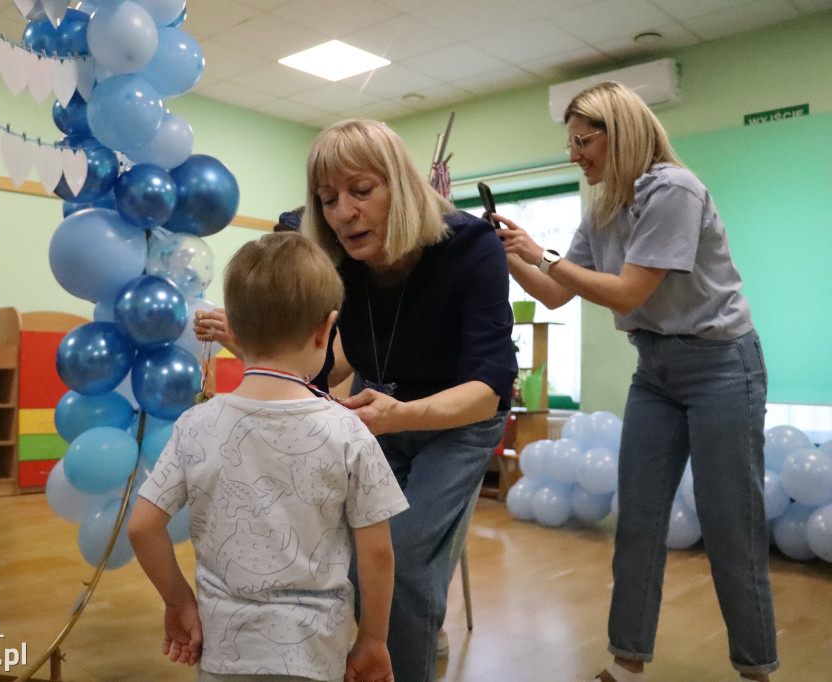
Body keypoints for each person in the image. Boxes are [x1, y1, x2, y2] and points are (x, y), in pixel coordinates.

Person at [196, 119, 517, 682]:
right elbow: (320, 356)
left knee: (409, 558)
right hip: (380, 412)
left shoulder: (471, 248)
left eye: (361, 192)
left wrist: (402, 415)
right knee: (356, 555)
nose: (343, 213)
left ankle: (405, 651)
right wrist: (256, 344)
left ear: (401, 185)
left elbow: (488, 388)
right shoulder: (331, 248)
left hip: (460, 419)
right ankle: (403, 637)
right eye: (328, 199)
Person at [493, 81, 777, 682]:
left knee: (732, 526)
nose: (574, 155)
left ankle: (756, 668)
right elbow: (552, 292)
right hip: (655, 370)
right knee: (639, 521)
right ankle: (626, 663)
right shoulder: (601, 205)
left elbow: (626, 291)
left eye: (581, 141)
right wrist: (508, 252)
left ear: (616, 134)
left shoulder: (672, 189)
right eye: (569, 143)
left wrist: (539, 253)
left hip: (721, 367)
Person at [128, 232, 409, 682]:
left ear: (232, 331)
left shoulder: (195, 424)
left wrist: (179, 602)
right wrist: (373, 640)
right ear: (326, 329)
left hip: (224, 652)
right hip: (316, 654)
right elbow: (377, 552)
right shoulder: (348, 430)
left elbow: (142, 527)